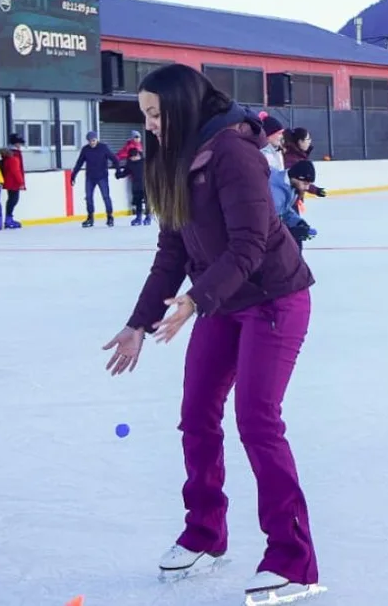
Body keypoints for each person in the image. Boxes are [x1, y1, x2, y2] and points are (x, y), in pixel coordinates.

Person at [100, 64, 321, 604]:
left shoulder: (234, 154)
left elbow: (250, 243)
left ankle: (293, 560)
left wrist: (198, 299)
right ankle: (205, 533)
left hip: (272, 298)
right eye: (145, 115)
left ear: (180, 107)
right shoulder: (175, 159)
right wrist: (136, 323)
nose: (148, 125)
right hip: (220, 302)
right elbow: (171, 252)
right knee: (196, 413)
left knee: (256, 420)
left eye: (155, 114)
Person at [71, 131, 118, 227]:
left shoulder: (103, 147)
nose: (92, 142)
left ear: (96, 139)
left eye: (93, 140)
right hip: (90, 177)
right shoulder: (85, 149)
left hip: (102, 177)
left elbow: (114, 158)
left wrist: (118, 170)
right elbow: (79, 163)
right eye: (90, 141)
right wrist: (73, 176)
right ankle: (90, 217)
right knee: (88, 197)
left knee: (106, 196)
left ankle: (110, 216)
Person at [270, 159, 317, 249]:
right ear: (296, 177)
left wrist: (298, 222)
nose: (307, 188)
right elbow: (266, 225)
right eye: (305, 183)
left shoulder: (291, 187)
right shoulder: (275, 193)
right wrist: (291, 232)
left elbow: (285, 210)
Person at [116, 147, 150, 226]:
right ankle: (138, 218)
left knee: (148, 202)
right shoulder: (130, 164)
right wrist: (118, 174)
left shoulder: (145, 162)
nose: (134, 158)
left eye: (135, 156)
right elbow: (125, 173)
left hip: (146, 186)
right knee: (138, 203)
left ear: (138, 155)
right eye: (132, 157)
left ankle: (148, 217)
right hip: (136, 186)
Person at [0, 134, 26, 229]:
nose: (20, 145)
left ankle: (9, 218)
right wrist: (21, 182)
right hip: (13, 181)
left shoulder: (11, 153)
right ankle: (8, 219)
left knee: (12, 199)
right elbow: (16, 170)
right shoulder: (14, 155)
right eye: (19, 143)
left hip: (10, 180)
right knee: (13, 199)